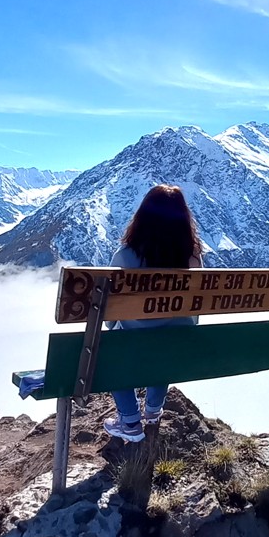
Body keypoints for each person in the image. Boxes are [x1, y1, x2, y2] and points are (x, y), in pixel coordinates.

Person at [103, 184, 202, 442]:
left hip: (136, 341)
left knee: (107, 349)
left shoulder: (125, 256)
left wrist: (113, 325)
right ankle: (153, 410)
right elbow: (196, 305)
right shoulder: (192, 258)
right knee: (167, 342)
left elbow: (109, 311)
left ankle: (130, 422)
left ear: (142, 217)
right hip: (176, 342)